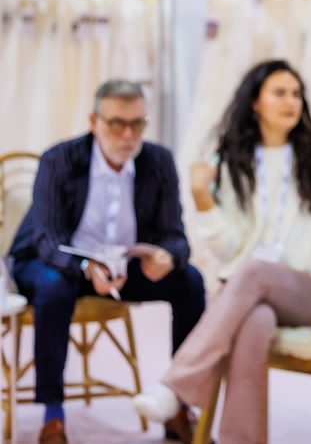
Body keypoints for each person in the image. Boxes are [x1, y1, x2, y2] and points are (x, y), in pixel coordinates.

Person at [132, 60, 311, 444]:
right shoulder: (230, 163)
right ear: (256, 102)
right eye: (279, 93)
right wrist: (201, 198)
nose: (291, 101)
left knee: (255, 271)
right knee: (255, 323)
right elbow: (226, 246)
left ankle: (175, 386)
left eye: (296, 94)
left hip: (304, 291)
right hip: (246, 293)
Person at [9, 80, 206, 444]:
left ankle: (178, 402)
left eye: (137, 123)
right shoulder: (60, 159)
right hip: (56, 263)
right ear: (94, 121)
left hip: (123, 266)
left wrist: (167, 255)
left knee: (190, 281)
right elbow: (46, 239)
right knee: (53, 287)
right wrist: (85, 268)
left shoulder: (158, 161)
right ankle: (53, 415)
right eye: (117, 123)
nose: (128, 134)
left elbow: (175, 234)